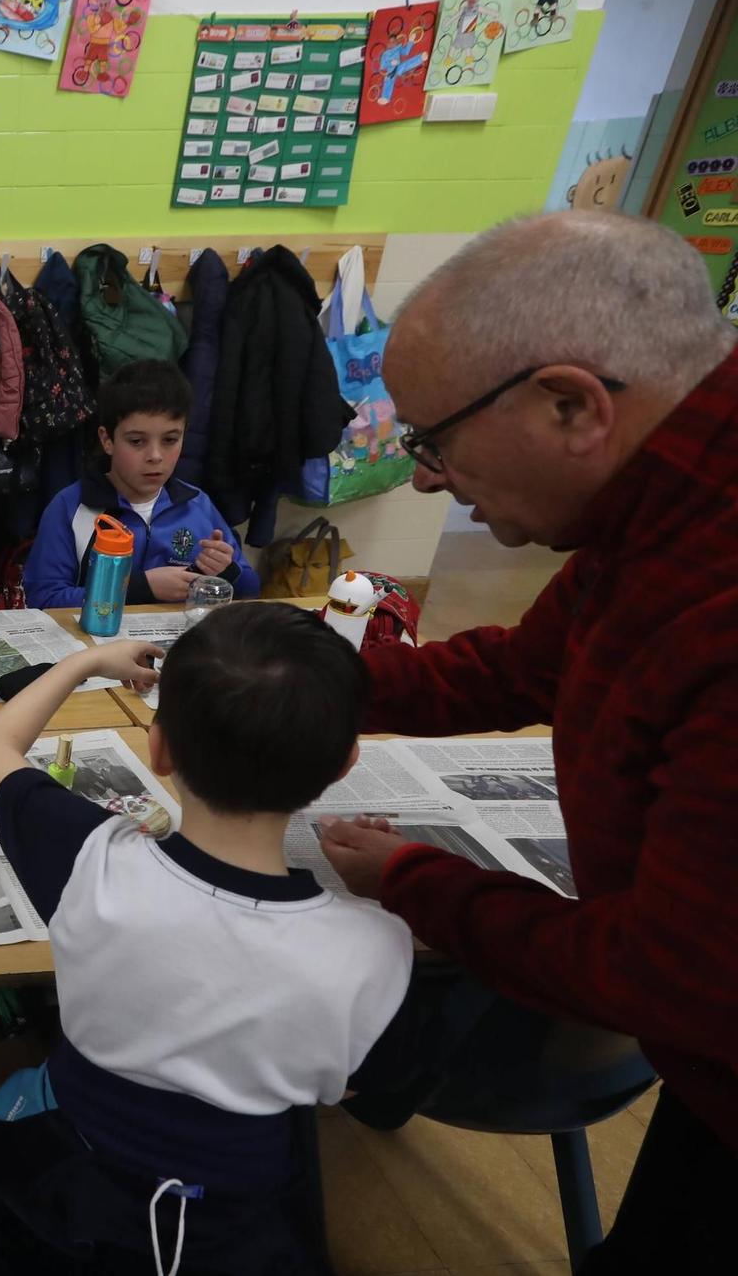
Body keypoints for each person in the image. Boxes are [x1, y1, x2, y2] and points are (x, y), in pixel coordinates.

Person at [314, 210, 738, 1270]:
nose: (418, 477)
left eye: (431, 440)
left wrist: (421, 879)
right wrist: (309, 682)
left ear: (569, 406)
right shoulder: (653, 510)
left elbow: (660, 969)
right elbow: (521, 666)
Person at [0, 603, 411, 1273]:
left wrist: (85, 662)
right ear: (346, 762)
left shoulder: (92, 861)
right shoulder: (375, 952)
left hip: (61, 1207)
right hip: (240, 1236)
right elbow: (380, 1097)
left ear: (158, 747)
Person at [24, 360, 257, 610]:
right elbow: (43, 600)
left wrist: (227, 570)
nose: (155, 455)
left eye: (170, 439)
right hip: (97, 645)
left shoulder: (197, 504)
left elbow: (252, 588)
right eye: (136, 441)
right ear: (107, 440)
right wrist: (139, 588)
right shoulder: (70, 507)